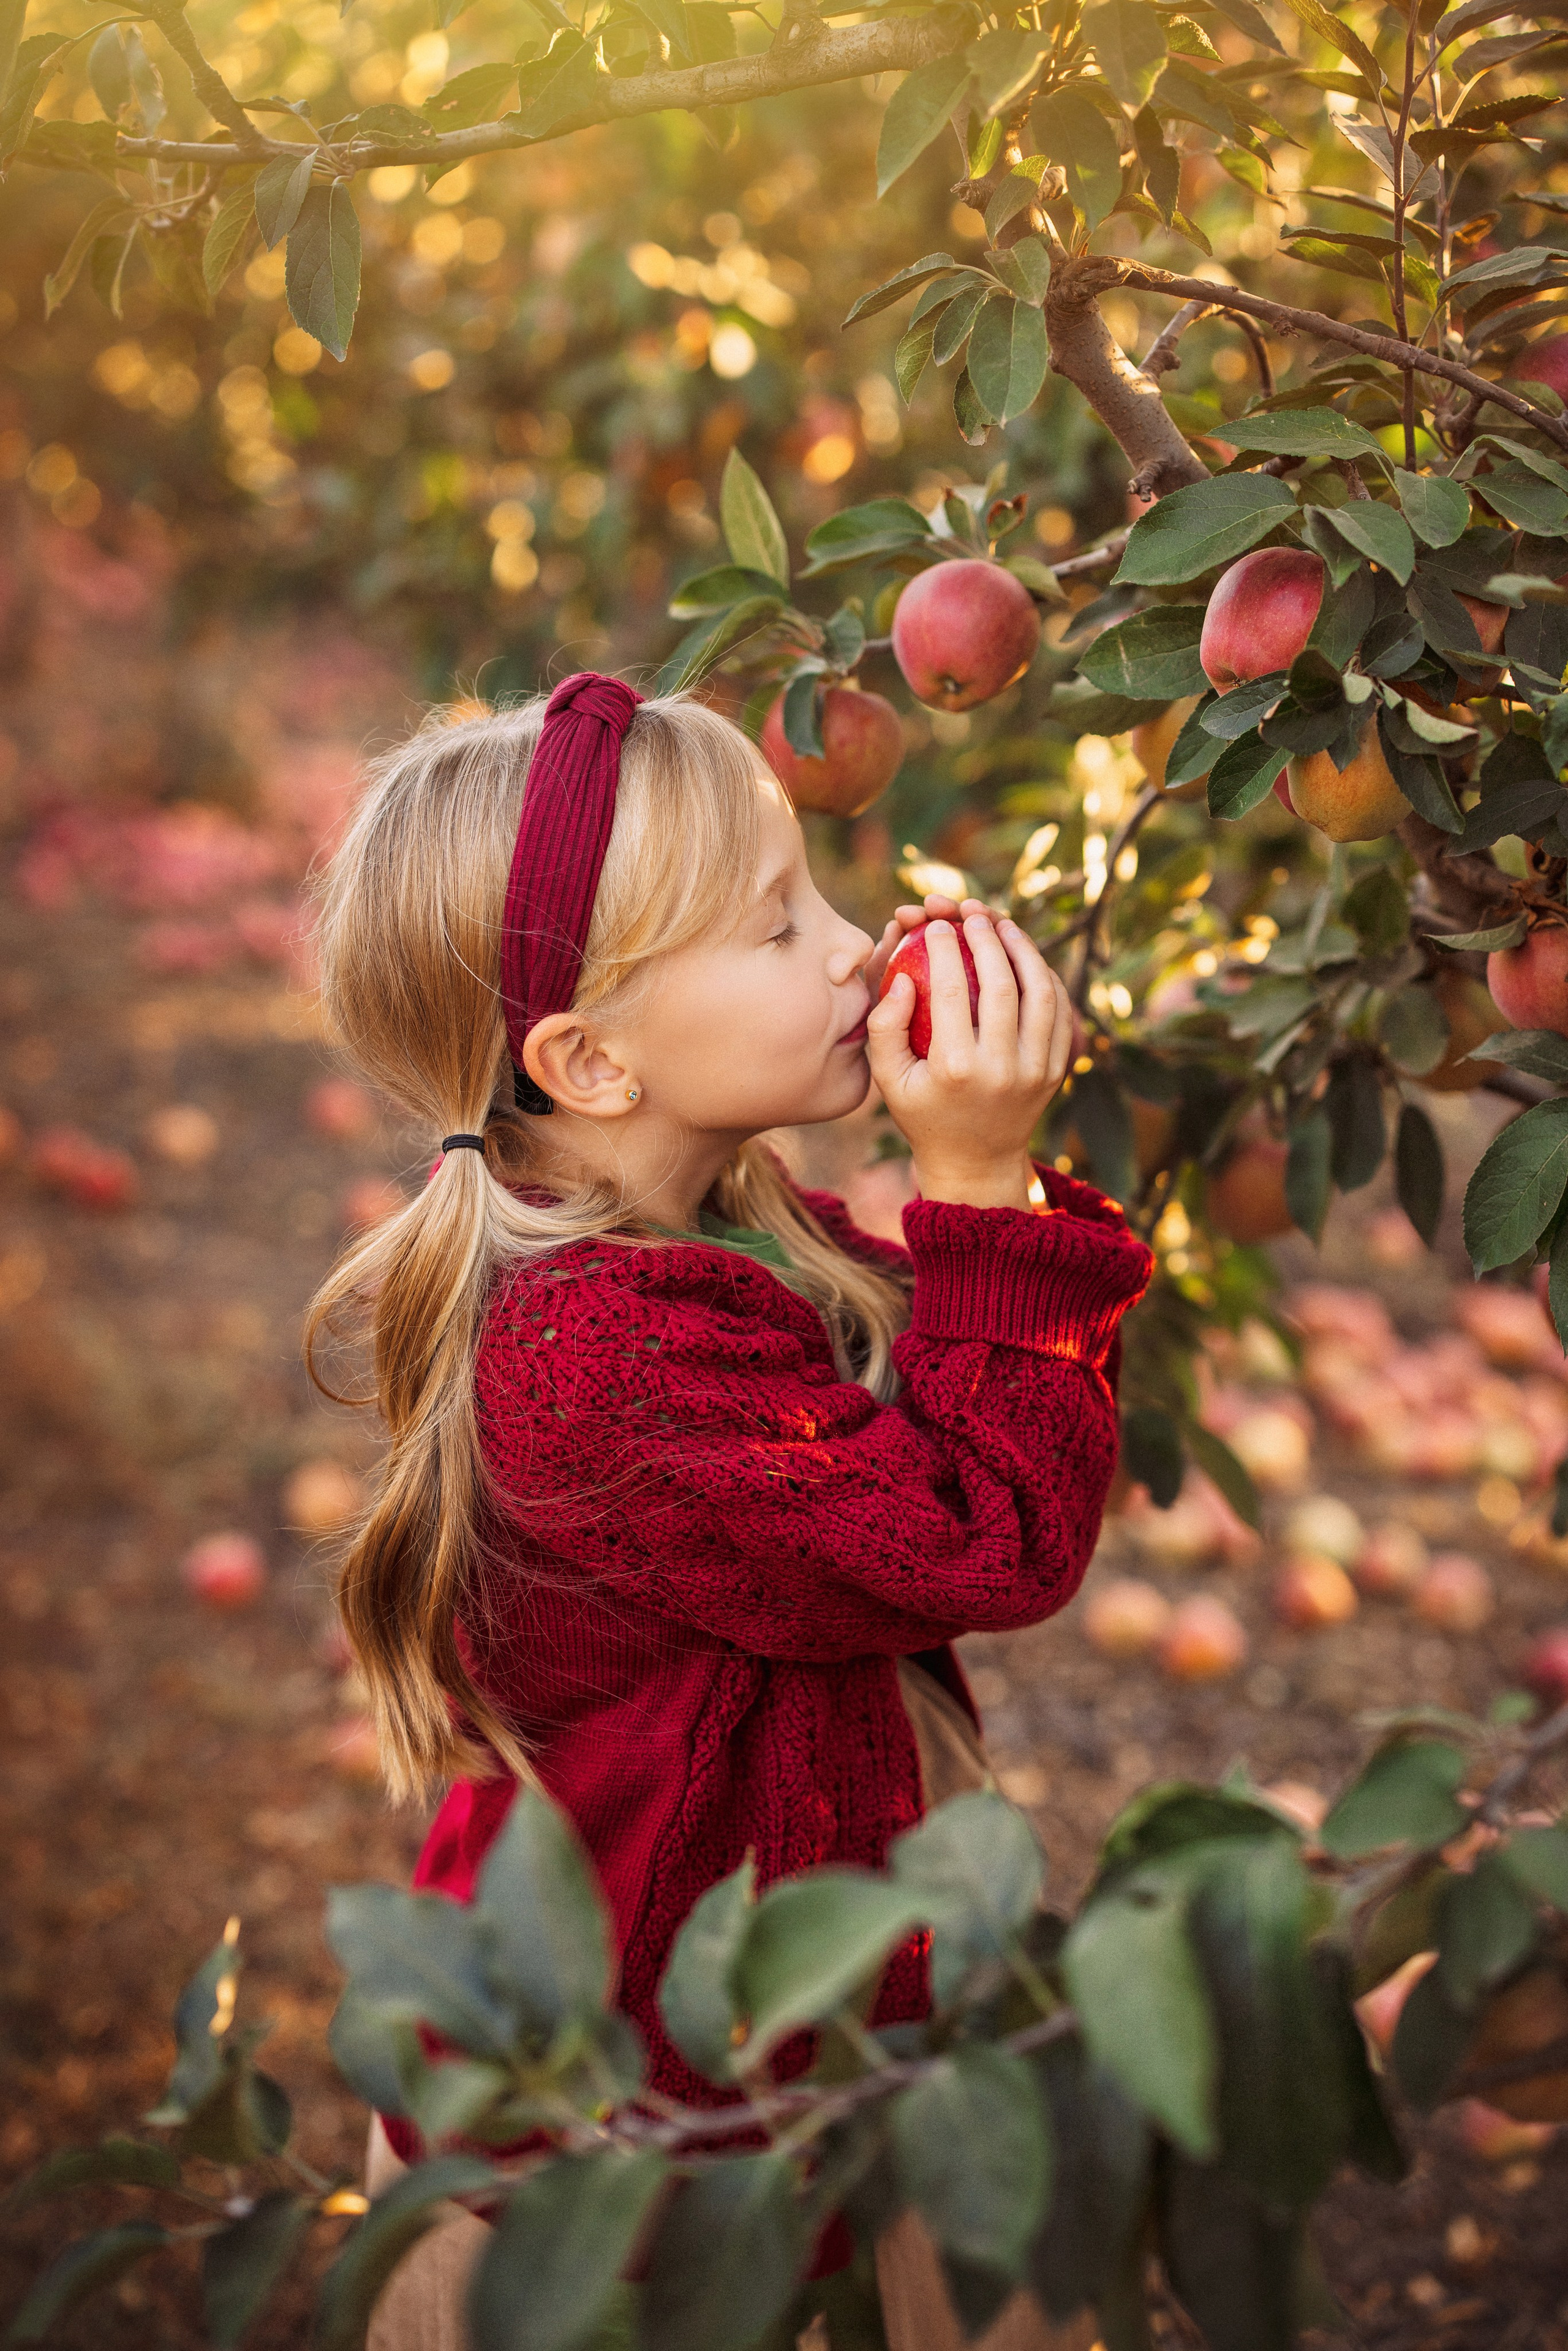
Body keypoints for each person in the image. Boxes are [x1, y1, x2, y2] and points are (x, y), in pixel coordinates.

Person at [306, 672, 1152, 2351]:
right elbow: (988, 1530)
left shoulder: (709, 1228)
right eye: (778, 927)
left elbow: (955, 1366)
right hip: (644, 2111)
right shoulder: (601, 1356)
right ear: (593, 1062)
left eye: (819, 892)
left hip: (768, 1994)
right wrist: (980, 1179)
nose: (852, 945)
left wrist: (980, 1179)